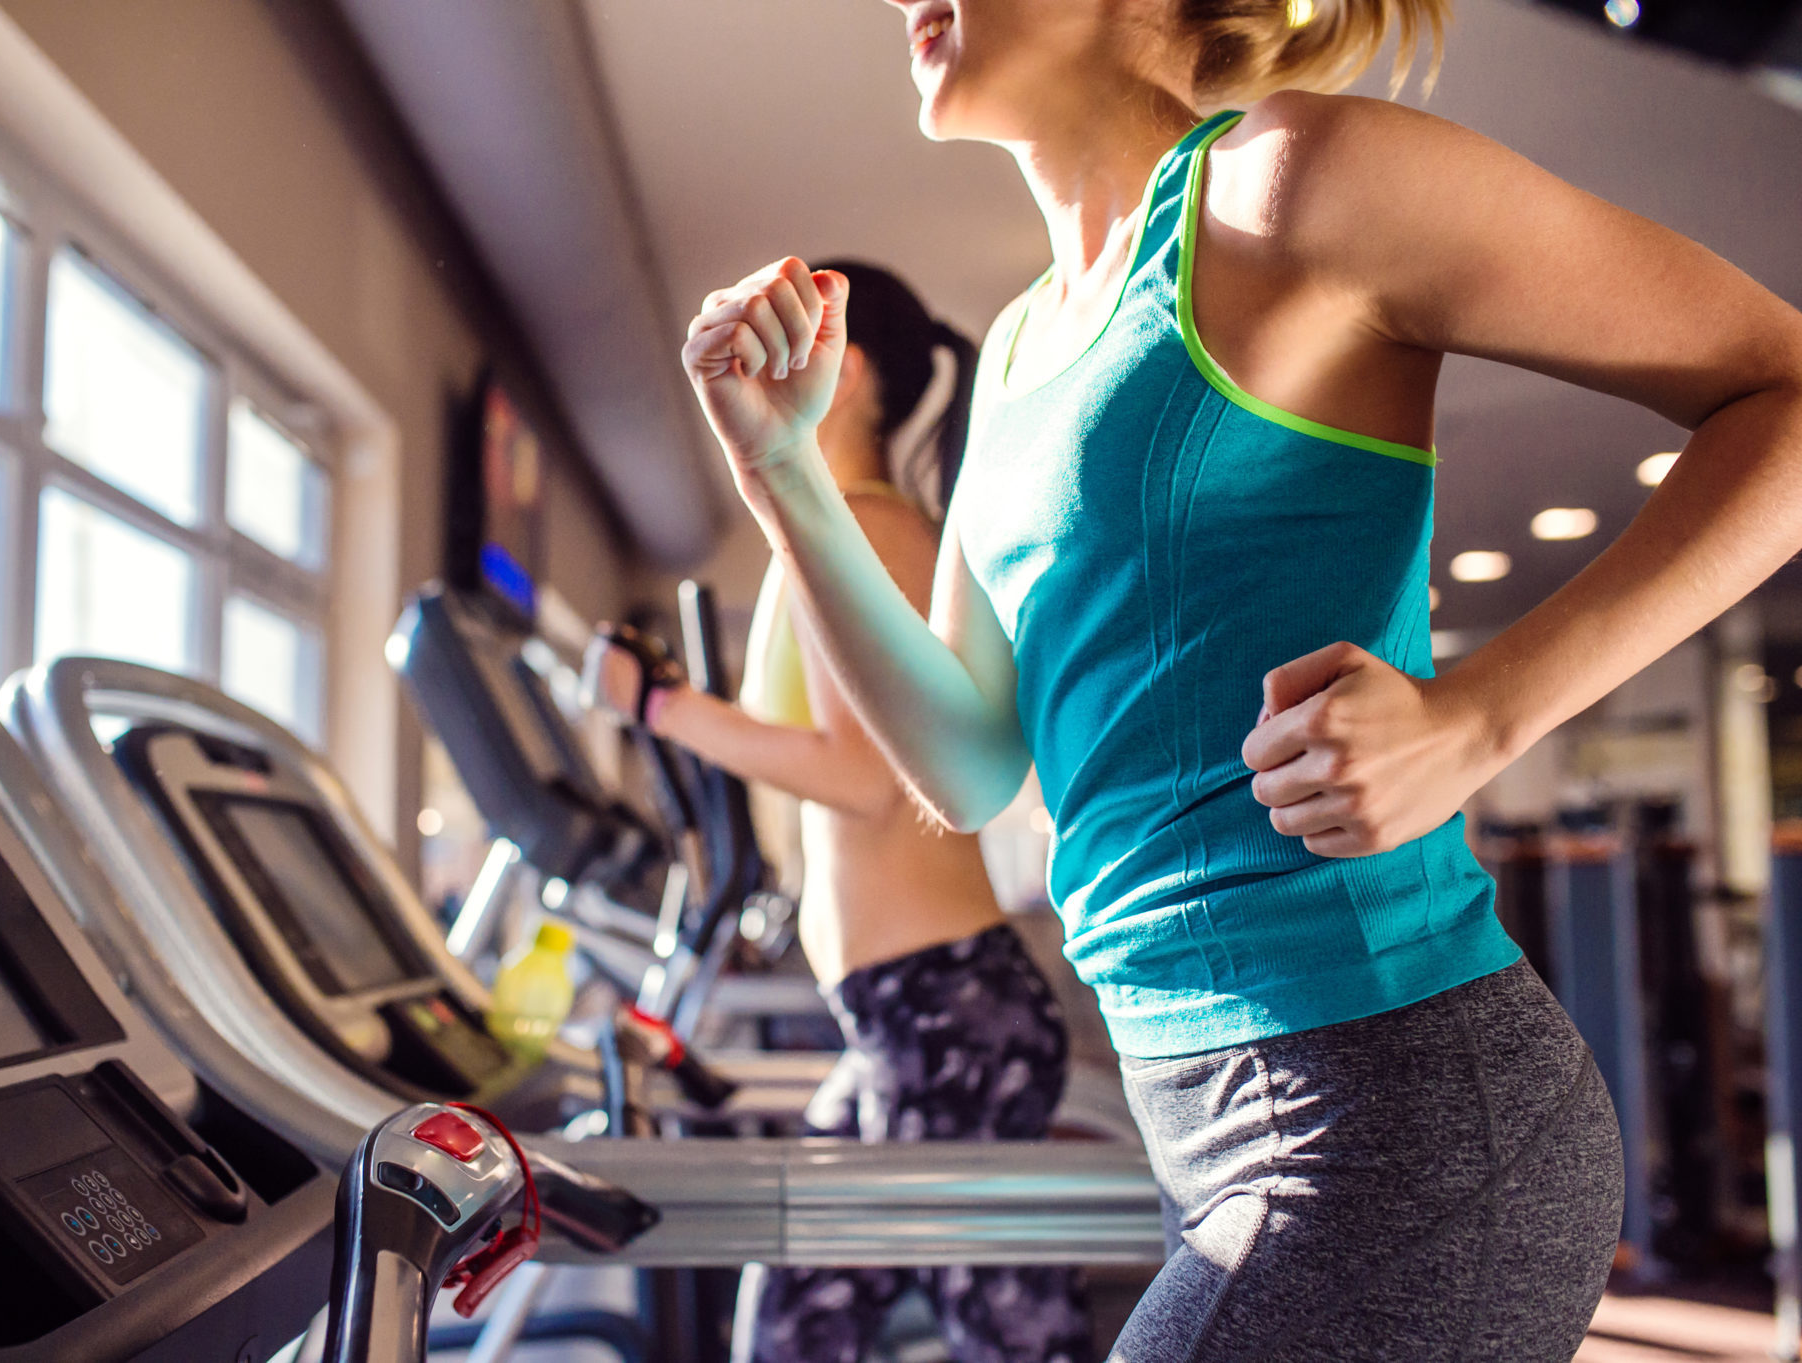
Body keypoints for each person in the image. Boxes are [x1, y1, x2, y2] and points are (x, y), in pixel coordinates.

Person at [674, 2, 1802, 1359]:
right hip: (1197, 1114)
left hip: (1392, 1105)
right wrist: (780, 471)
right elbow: (970, 762)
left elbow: (1781, 394)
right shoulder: (1024, 347)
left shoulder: (1296, 179)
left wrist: (1481, 713)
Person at [587, 261, 1095, 1363]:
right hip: (898, 1016)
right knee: (795, 1325)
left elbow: (865, 777)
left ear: (841, 363)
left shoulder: (870, 532)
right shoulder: (834, 532)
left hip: (942, 1008)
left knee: (1006, 1332)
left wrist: (662, 706)